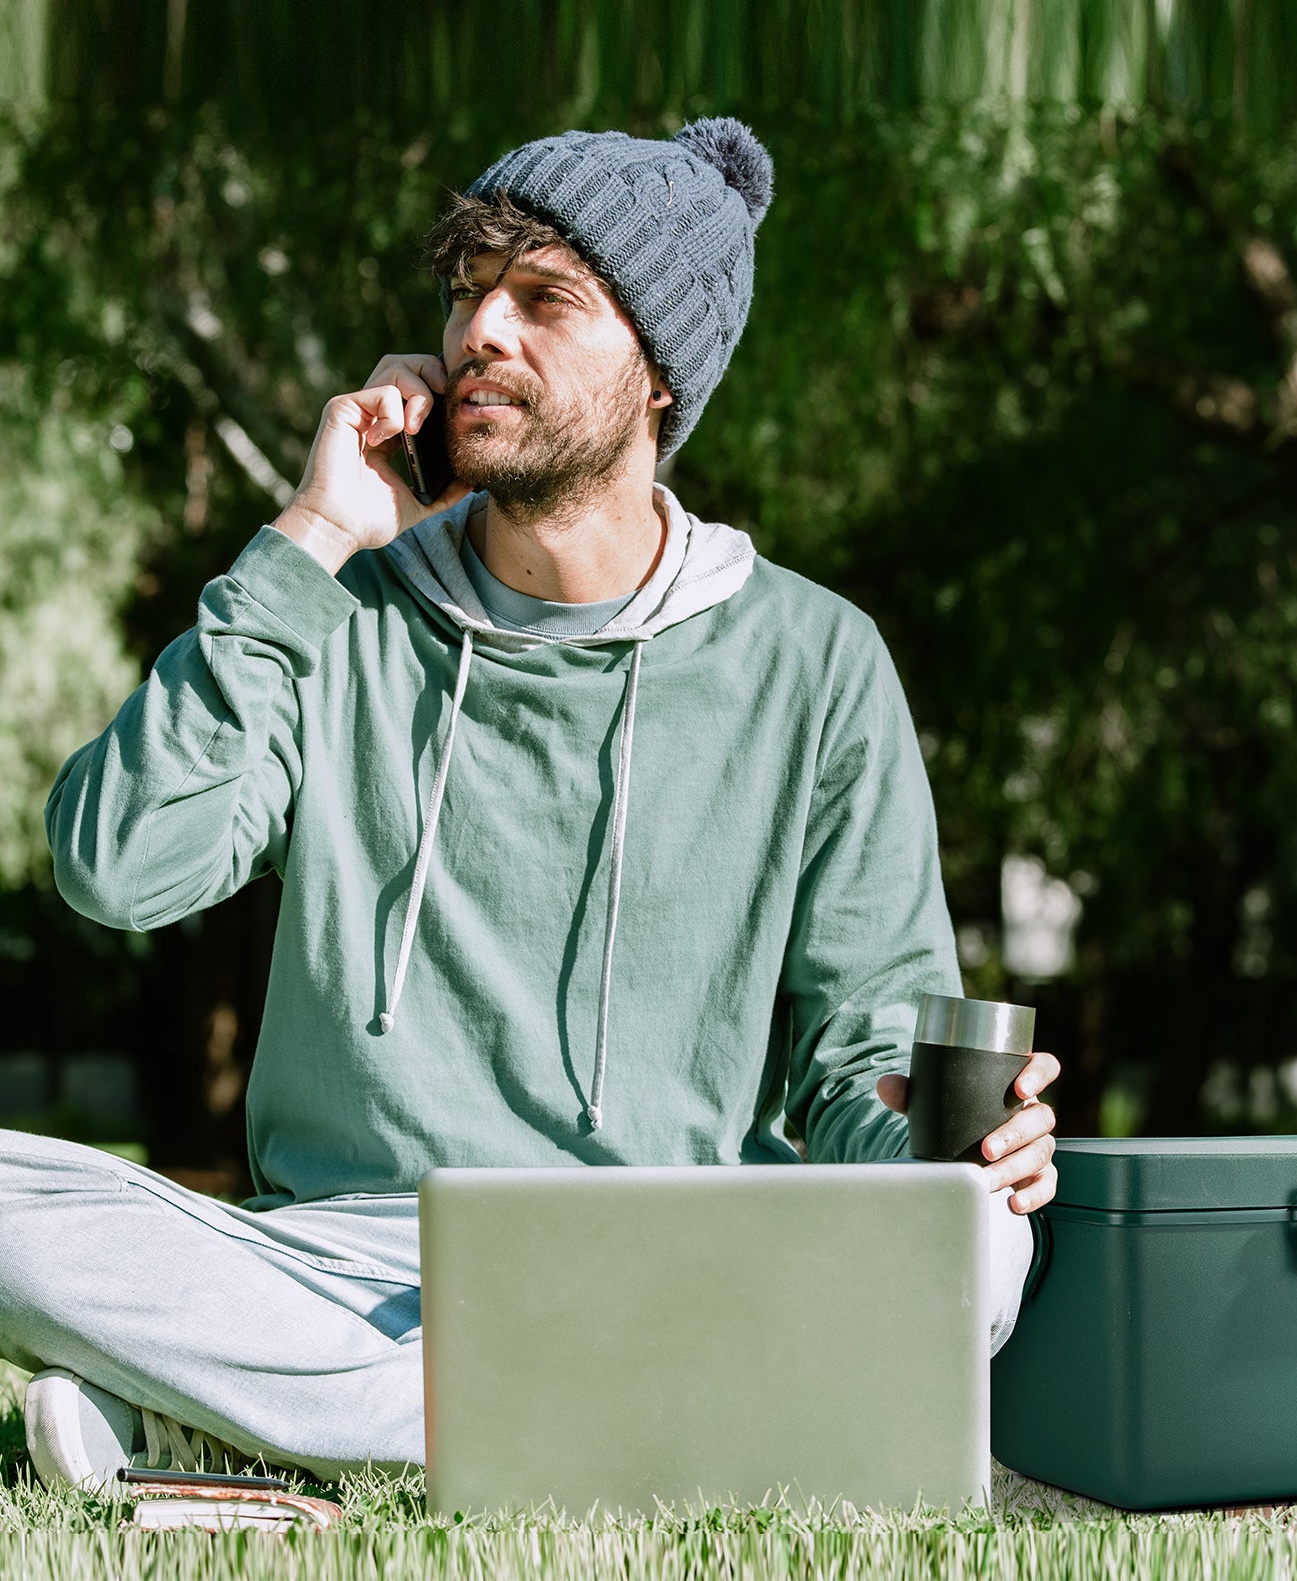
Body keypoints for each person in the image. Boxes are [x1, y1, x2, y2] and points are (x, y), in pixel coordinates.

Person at [3, 117, 1059, 1491]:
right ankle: (613, 1429)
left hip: (669, 1264)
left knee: (985, 1246)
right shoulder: (343, 610)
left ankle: (255, 1425)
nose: (477, 333)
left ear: (662, 375)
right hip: (338, 1258)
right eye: (466, 294)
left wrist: (950, 1147)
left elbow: (856, 1052)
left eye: (543, 297)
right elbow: (118, 864)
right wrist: (313, 534)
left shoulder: (812, 659)